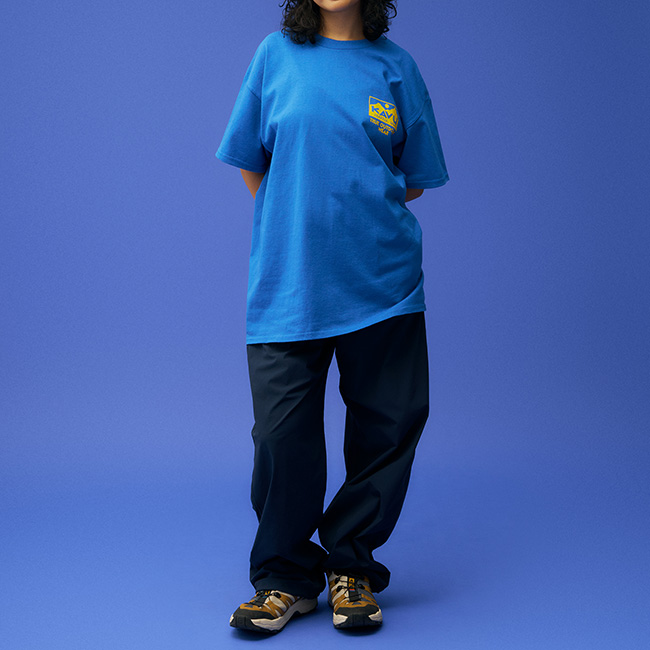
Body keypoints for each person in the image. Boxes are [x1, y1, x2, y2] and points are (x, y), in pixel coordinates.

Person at [216, 0, 449, 634]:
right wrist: (295, 222)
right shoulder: (275, 56)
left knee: (387, 428)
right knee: (281, 437)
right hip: (291, 284)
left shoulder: (397, 68)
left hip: (383, 284)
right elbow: (251, 160)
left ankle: (351, 568)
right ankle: (286, 578)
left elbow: (414, 178)